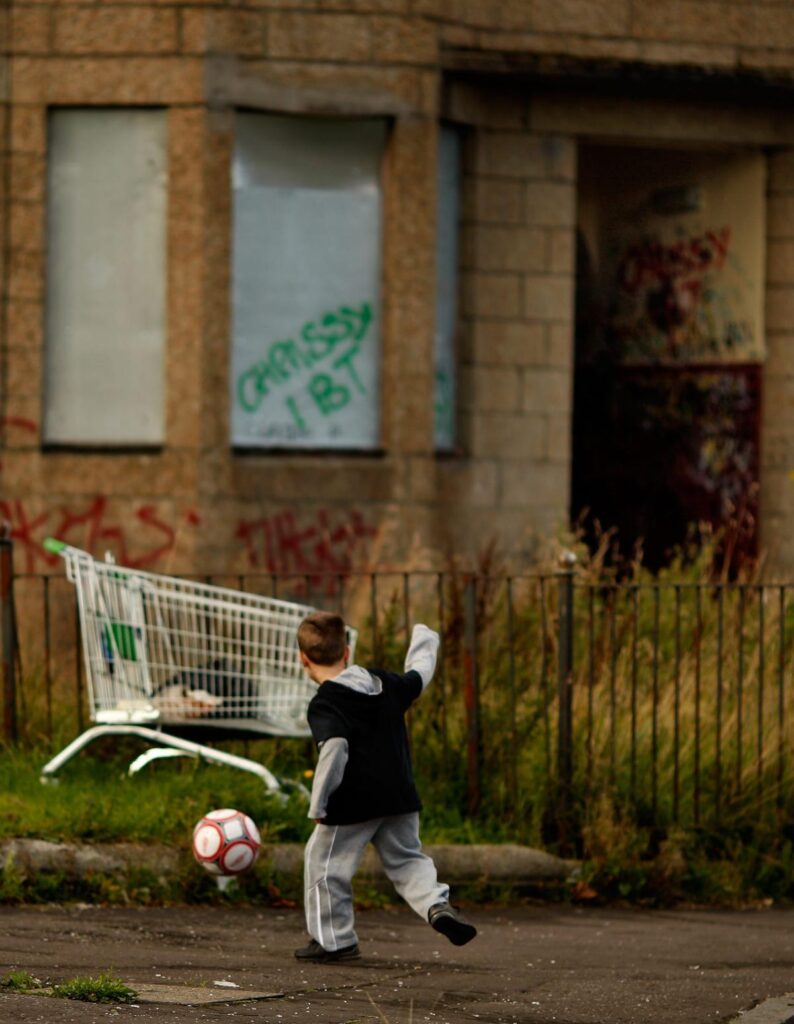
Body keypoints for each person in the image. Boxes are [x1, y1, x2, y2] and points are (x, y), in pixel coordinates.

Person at [293, 610, 477, 963]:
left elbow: (335, 750)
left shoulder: (326, 703)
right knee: (408, 861)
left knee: (324, 865)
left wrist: (318, 806)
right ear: (347, 651)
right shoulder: (383, 683)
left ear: (303, 659)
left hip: (351, 804)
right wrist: (425, 637)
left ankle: (334, 941)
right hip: (399, 796)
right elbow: (419, 675)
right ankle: (437, 906)